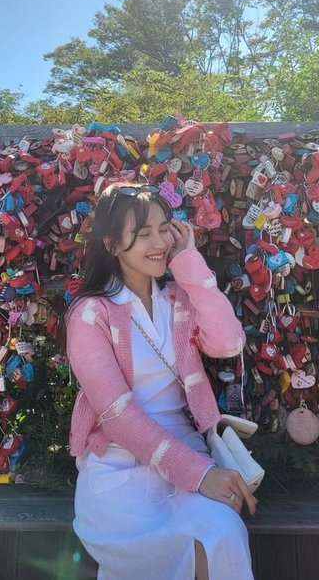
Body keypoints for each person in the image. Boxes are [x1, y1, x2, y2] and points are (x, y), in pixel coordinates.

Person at [66, 182, 257, 580]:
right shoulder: (90, 314)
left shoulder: (178, 299)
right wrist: (200, 475)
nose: (159, 242)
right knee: (174, 547)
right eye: (143, 234)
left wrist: (188, 263)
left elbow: (228, 343)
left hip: (187, 452)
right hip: (119, 470)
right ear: (113, 244)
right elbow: (117, 416)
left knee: (221, 535)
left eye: (164, 228)